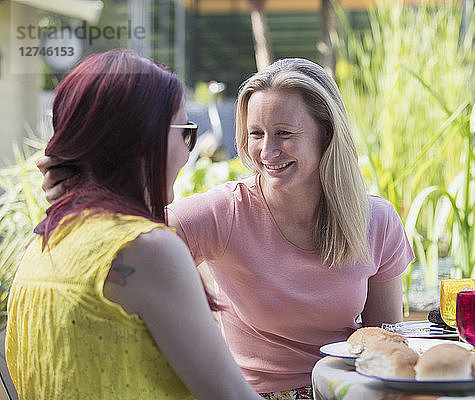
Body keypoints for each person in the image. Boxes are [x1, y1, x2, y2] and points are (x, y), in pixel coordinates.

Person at [38, 57, 415, 399]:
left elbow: (386, 346)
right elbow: (123, 238)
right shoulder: (222, 211)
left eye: (284, 133)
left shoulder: (377, 221)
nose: (267, 152)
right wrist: (75, 179)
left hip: (347, 390)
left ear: (326, 135)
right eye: (256, 134)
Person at [6, 49, 262, 400]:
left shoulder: (40, 244)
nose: (188, 153)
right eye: (185, 132)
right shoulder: (145, 250)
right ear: (145, 137)